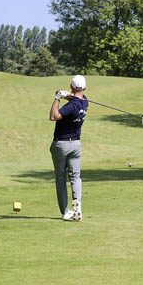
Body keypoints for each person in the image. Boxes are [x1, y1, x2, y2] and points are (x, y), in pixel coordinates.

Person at [49, 75, 88, 222]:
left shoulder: (71, 106)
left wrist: (57, 98)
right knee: (75, 176)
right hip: (76, 145)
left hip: (61, 144)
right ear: (84, 88)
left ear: (71, 86)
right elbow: (76, 99)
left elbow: (54, 116)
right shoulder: (85, 102)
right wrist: (67, 95)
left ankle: (65, 212)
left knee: (60, 178)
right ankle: (77, 205)